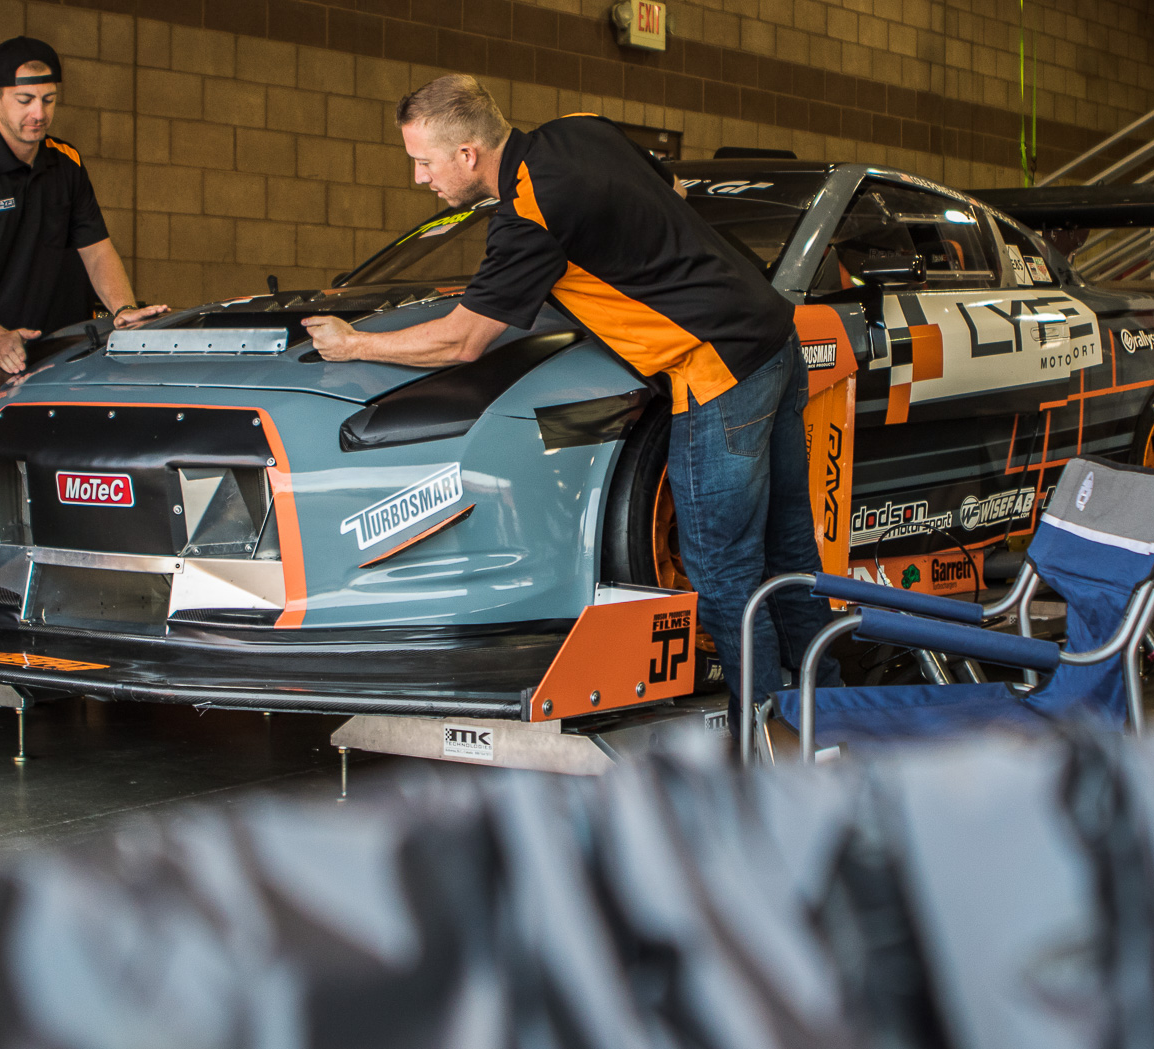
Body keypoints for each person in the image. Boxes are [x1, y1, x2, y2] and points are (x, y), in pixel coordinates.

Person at [301, 73, 840, 735]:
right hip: (773, 336)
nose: (420, 178)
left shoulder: (528, 213)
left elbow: (465, 340)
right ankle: (827, 705)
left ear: (468, 154)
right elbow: (667, 193)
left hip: (715, 367)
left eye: (423, 161)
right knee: (788, 545)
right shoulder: (579, 128)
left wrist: (356, 345)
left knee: (722, 563)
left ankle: (759, 732)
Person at [0, 36, 166, 471]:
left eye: (48, 99)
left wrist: (124, 309)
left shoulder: (68, 164)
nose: (38, 113)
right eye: (24, 100)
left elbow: (97, 252)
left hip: (28, 375)